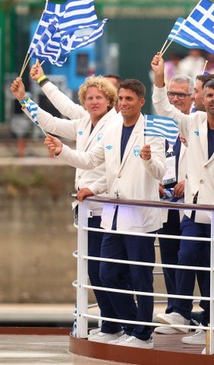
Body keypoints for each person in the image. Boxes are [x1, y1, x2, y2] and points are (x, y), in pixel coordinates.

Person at [44, 79, 166, 350]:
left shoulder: (152, 131)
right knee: (106, 272)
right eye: (121, 99)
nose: (123, 103)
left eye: (129, 99)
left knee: (140, 277)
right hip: (114, 212)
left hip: (140, 215)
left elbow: (161, 171)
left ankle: (143, 335)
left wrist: (148, 159)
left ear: (140, 102)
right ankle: (129, 324)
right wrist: (62, 150)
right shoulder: (111, 131)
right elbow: (89, 161)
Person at [11, 75, 121, 343]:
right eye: (90, 98)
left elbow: (111, 167)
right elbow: (52, 121)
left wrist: (64, 154)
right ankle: (111, 324)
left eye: (99, 97)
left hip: (108, 205)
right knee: (93, 271)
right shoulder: (84, 122)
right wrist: (25, 99)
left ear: (109, 101)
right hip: (87, 208)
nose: (94, 101)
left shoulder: (115, 125)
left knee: (109, 270)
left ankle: (118, 324)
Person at [151, 53, 214, 356]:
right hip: (194, 206)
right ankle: (180, 309)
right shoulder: (193, 122)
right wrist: (159, 77)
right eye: (209, 95)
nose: (213, 100)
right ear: (201, 98)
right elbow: (163, 106)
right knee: (187, 253)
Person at [154, 75, 194, 335]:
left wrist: (187, 181)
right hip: (166, 201)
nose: (176, 99)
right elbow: (150, 156)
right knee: (169, 258)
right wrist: (153, 180)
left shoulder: (197, 123)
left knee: (190, 258)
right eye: (172, 94)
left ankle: (190, 312)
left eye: (181, 94)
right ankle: (174, 310)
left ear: (192, 97)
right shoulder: (159, 125)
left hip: (191, 204)